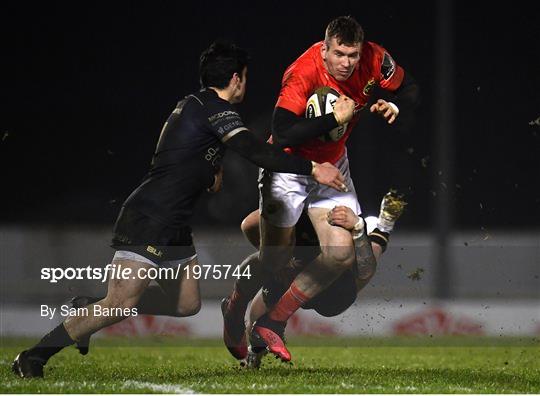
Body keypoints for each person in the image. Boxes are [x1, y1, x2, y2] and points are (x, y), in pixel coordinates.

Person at [11, 40, 347, 379]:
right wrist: (313, 168)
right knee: (119, 304)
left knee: (187, 304)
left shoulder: (192, 105)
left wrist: (205, 173)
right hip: (152, 216)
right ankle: (34, 355)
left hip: (173, 223)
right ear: (236, 78)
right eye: (245, 76)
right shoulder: (217, 109)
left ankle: (87, 307)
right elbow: (253, 150)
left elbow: (174, 154)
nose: (246, 82)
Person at [222, 16, 419, 362]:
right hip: (289, 168)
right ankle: (234, 307)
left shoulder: (375, 59)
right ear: (324, 49)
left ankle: (274, 324)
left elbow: (411, 88)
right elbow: (281, 132)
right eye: (339, 54)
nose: (346, 63)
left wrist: (395, 106)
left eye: (353, 55)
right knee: (274, 259)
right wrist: (335, 120)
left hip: (334, 166)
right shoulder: (303, 71)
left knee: (340, 254)